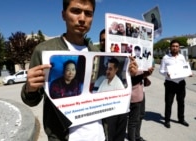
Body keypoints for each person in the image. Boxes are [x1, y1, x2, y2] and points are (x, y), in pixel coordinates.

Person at [21, 0, 138, 140]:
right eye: (75, 11)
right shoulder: (44, 51)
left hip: (99, 136)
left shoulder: (97, 52)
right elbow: (32, 101)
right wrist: (29, 88)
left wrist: (127, 74)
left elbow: (109, 91)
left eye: (88, 13)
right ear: (63, 15)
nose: (82, 18)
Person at [159, 39, 191, 128]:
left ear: (179, 48)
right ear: (170, 47)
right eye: (173, 46)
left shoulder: (182, 57)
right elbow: (161, 70)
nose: (175, 48)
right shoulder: (165, 58)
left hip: (181, 83)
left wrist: (188, 73)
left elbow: (185, 67)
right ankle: (167, 120)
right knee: (169, 103)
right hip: (170, 83)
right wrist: (167, 74)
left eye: (177, 46)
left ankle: (181, 119)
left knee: (181, 102)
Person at [128, 67, 154, 141]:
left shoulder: (141, 63)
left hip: (141, 93)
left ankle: (137, 136)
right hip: (134, 95)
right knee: (133, 119)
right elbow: (130, 79)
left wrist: (146, 73)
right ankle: (132, 138)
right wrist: (144, 75)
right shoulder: (130, 64)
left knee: (141, 115)